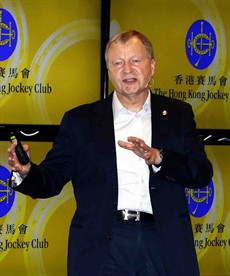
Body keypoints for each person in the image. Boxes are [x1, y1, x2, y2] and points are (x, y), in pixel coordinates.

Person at [7, 30, 213, 276]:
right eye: (118, 63)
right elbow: (51, 180)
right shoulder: (81, 121)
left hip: (163, 241)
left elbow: (201, 173)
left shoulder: (178, 114)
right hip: (104, 243)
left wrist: (159, 158)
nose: (127, 69)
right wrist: (27, 171)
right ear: (109, 70)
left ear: (152, 66)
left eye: (135, 61)